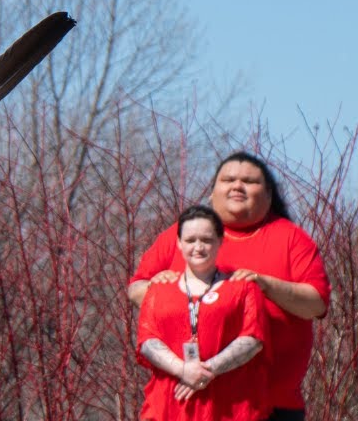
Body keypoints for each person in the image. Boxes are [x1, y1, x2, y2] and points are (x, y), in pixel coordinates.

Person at [128, 152, 330, 420]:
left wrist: (265, 285)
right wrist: (163, 289)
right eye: (228, 179)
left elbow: (316, 304)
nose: (237, 185)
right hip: (181, 401)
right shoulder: (185, 233)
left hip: (267, 401)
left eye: (249, 181)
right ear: (212, 192)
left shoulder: (291, 237)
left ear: (269, 194)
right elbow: (137, 289)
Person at [137, 205, 269, 420]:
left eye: (206, 240)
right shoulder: (158, 290)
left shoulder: (243, 287)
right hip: (169, 407)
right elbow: (148, 341)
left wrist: (207, 370)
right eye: (190, 240)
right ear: (179, 243)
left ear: (220, 240)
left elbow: (253, 339)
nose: (198, 247)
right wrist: (183, 370)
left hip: (229, 406)